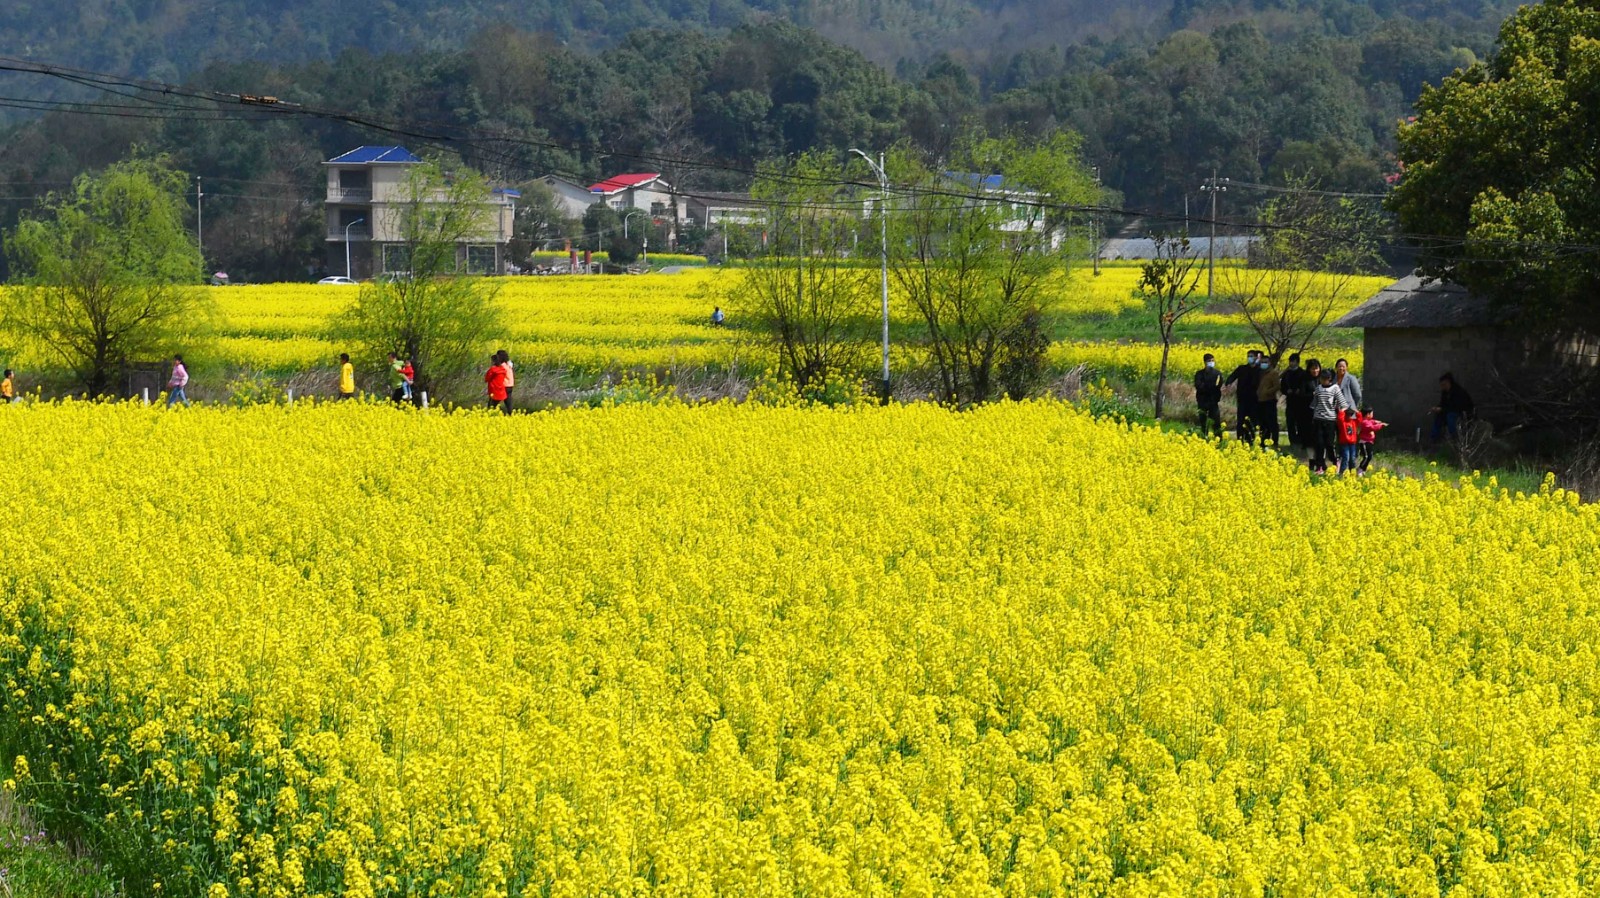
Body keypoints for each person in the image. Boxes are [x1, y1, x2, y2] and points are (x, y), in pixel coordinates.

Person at [1225, 349, 1262, 442]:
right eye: (1248, 356)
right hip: (1242, 399)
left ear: (1256, 357)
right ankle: (1240, 440)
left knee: (1252, 421)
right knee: (1241, 421)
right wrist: (1228, 383)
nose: (1250, 358)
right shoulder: (1242, 369)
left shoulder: (1259, 370)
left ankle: (1251, 439)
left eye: (1252, 356)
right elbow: (1232, 376)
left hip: (1254, 400)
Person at [1310, 369, 1342, 474]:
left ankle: (1335, 461)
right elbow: (1314, 404)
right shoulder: (1318, 389)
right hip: (1318, 419)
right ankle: (1320, 466)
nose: (1323, 381)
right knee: (1319, 444)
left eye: (1325, 379)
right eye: (1321, 378)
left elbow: (1342, 402)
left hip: (1330, 420)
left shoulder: (1335, 388)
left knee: (1329, 444)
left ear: (1330, 379)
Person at [1279, 353, 1313, 447]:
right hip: (1290, 402)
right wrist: (1286, 391)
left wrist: (1299, 390)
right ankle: (1293, 442)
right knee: (1290, 423)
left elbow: (1306, 386)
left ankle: (1301, 441)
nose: (1291, 363)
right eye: (1290, 361)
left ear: (1297, 362)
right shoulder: (1287, 374)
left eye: (1293, 361)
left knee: (1300, 423)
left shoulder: (1303, 373)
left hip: (1301, 403)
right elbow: (1282, 387)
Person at [1431, 372, 1475, 441]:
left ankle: (1455, 438)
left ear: (1449, 382)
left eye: (1444, 385)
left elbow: (1457, 407)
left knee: (1450, 416)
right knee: (1439, 417)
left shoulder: (1458, 392)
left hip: (1462, 414)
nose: (1442, 387)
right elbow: (1443, 403)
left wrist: (1442, 409)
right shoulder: (1445, 393)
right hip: (1449, 411)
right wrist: (1437, 408)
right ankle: (1434, 438)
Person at [1192, 352, 1223, 439]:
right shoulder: (1199, 374)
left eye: (1213, 361)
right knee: (1203, 423)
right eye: (1209, 361)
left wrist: (1211, 388)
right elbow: (1198, 386)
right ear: (1205, 362)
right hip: (1202, 401)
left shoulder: (1217, 373)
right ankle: (1203, 439)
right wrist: (1210, 387)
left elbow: (1219, 385)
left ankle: (1218, 440)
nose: (1211, 362)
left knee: (1216, 423)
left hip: (1214, 401)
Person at [1255, 353, 1281, 448]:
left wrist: (1267, 392)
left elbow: (1277, 386)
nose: (1263, 364)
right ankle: (1263, 441)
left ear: (1269, 363)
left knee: (1272, 423)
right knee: (1262, 423)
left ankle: (1274, 441)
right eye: (1262, 362)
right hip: (1260, 401)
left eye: (1265, 362)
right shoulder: (1260, 373)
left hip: (1270, 401)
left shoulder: (1273, 373)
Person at [1357, 407, 1387, 474]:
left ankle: (1363, 470)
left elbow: (1372, 421)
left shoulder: (1368, 421)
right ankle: (1360, 469)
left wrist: (1376, 421)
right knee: (1366, 456)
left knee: (1370, 457)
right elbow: (1372, 427)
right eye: (1372, 413)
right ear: (1368, 414)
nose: (1372, 414)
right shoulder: (1364, 422)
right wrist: (1380, 425)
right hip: (1364, 442)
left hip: (1369, 442)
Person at [1336, 404, 1361, 474]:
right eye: (1347, 414)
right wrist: (1342, 410)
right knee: (1346, 458)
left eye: (1350, 414)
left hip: (1352, 443)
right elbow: (1340, 418)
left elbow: (1360, 419)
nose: (1349, 416)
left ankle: (1352, 473)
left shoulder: (1353, 422)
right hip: (1344, 443)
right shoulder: (1342, 422)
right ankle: (1342, 473)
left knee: (1352, 458)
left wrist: (1356, 411)